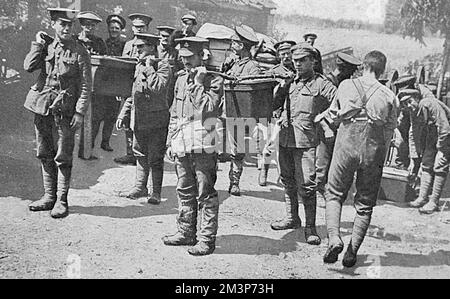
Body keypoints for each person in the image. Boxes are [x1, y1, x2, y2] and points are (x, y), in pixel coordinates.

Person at [322, 50, 397, 268]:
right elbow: (390, 130)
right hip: (373, 149)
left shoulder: (345, 85)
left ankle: (334, 238)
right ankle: (351, 252)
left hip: (346, 143)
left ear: (363, 66)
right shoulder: (390, 95)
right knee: (364, 203)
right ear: (382, 70)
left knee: (334, 193)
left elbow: (333, 116)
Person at [24, 7, 92, 218]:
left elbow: (85, 86)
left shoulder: (79, 51)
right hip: (42, 106)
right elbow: (28, 67)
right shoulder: (46, 46)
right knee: (44, 152)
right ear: (53, 24)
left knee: (63, 156)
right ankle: (48, 197)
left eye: (69, 25)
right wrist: (37, 44)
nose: (66, 28)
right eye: (61, 24)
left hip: (65, 110)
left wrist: (80, 113)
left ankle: (61, 200)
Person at [270, 43, 337, 247]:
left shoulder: (322, 84)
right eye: (295, 60)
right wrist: (279, 108)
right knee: (287, 180)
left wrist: (323, 117)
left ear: (313, 61)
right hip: (285, 138)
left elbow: (338, 103)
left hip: (307, 142)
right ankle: (292, 218)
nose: (297, 64)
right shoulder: (289, 82)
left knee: (307, 186)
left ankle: (310, 228)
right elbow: (275, 105)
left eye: (302, 60)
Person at [162, 36, 223, 256]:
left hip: (204, 142)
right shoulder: (179, 79)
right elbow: (175, 112)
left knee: (205, 191)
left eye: (190, 57)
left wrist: (198, 84)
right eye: (182, 57)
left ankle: (206, 239)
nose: (185, 61)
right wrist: (170, 139)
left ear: (201, 56)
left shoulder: (214, 80)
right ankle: (186, 232)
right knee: (184, 189)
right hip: (182, 140)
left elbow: (207, 110)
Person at [116, 33, 171, 204]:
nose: (137, 49)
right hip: (139, 118)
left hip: (156, 120)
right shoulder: (139, 66)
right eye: (136, 46)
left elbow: (157, 87)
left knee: (155, 156)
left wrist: (149, 67)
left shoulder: (163, 66)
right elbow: (133, 93)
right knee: (139, 153)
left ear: (152, 48)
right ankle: (140, 187)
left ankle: (155, 193)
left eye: (141, 47)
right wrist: (123, 113)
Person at [220, 25, 261, 196]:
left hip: (242, 113)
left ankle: (234, 181)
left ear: (242, 45)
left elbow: (253, 86)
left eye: (234, 42)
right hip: (228, 110)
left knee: (238, 148)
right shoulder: (233, 63)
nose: (232, 44)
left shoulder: (253, 66)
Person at [315, 53, 362, 205]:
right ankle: (316, 192)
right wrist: (326, 129)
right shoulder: (327, 82)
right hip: (324, 129)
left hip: (337, 129)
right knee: (321, 164)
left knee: (332, 164)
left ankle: (328, 193)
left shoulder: (344, 83)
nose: (352, 75)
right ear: (344, 69)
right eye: (351, 71)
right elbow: (316, 111)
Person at [400, 87, 450, 214]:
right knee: (426, 163)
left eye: (410, 101)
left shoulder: (429, 103)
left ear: (417, 98)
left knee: (440, 165)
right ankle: (422, 198)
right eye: (405, 104)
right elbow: (413, 133)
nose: (409, 106)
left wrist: (441, 149)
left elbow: (444, 127)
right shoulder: (414, 111)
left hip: (446, 133)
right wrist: (414, 158)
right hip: (432, 134)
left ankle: (433, 202)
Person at [114, 13, 152, 165]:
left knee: (143, 121)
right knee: (127, 120)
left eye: (142, 27)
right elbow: (123, 68)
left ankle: (142, 153)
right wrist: (120, 89)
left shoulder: (151, 44)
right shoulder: (128, 45)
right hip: (128, 87)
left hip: (144, 87)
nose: (139, 30)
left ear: (147, 28)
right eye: (136, 27)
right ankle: (130, 153)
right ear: (132, 27)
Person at [260, 40, 296, 187]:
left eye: (289, 53)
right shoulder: (274, 72)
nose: (286, 57)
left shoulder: (298, 71)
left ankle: (288, 177)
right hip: (278, 114)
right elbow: (267, 94)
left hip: (294, 115)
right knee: (271, 145)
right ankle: (264, 170)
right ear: (278, 55)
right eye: (283, 54)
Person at [75, 11, 108, 159]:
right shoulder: (74, 40)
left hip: (95, 86)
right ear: (81, 25)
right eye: (87, 24)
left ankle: (86, 150)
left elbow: (105, 61)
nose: (90, 28)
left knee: (95, 118)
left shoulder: (99, 42)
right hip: (76, 85)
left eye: (93, 25)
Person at [157, 25, 182, 109]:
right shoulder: (154, 50)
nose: (165, 38)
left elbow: (182, 68)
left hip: (169, 88)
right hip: (156, 86)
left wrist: (176, 74)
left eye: (167, 36)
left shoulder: (175, 53)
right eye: (163, 36)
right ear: (159, 37)